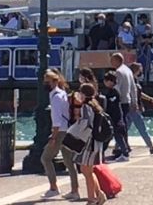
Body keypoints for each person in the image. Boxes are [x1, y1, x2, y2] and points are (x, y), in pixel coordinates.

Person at [109, 52, 153, 157]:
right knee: (132, 125)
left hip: (123, 102)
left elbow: (118, 89)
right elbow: (133, 89)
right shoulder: (127, 71)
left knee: (130, 125)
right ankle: (121, 147)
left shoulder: (119, 72)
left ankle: (119, 147)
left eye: (112, 60)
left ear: (116, 60)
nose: (111, 62)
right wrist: (134, 101)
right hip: (129, 102)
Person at [68, 83, 111, 205]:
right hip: (95, 142)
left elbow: (85, 124)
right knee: (88, 170)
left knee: (86, 170)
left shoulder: (85, 107)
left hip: (88, 142)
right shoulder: (95, 105)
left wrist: (72, 133)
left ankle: (91, 199)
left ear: (83, 94)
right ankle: (99, 194)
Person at [44, 70, 72, 198]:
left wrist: (53, 136)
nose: (45, 84)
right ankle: (75, 189)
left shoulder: (55, 97)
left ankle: (53, 187)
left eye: (47, 81)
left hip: (59, 131)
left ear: (53, 82)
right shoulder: (63, 93)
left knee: (46, 158)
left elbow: (56, 121)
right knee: (69, 161)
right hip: (67, 130)